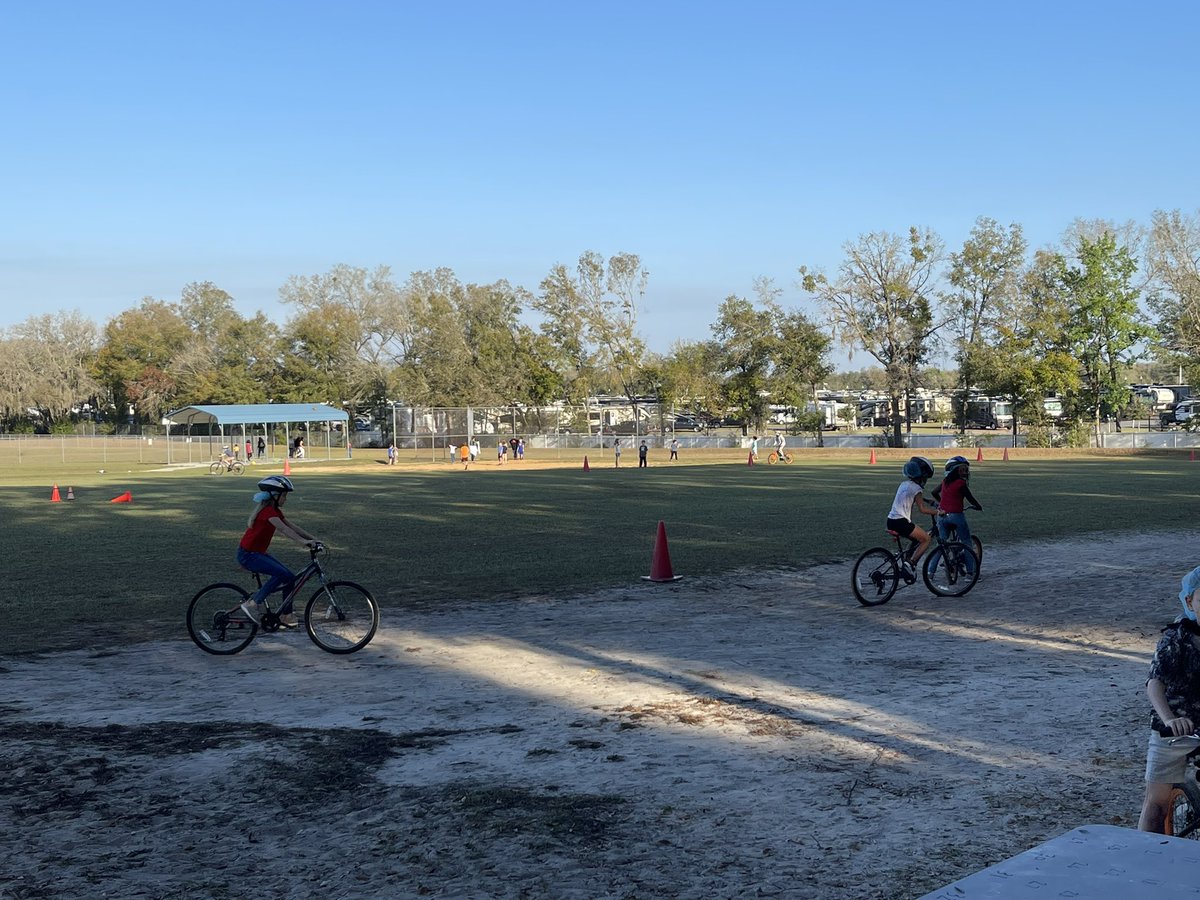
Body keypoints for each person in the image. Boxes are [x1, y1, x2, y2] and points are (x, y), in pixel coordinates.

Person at [1138, 572, 1200, 833]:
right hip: (1174, 729)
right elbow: (1155, 684)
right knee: (1156, 805)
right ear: (1189, 600)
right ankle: (1142, 856)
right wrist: (1169, 719)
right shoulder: (1176, 639)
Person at [237, 475, 320, 629]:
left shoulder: (274, 511)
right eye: (284, 495)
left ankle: (285, 615)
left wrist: (314, 539)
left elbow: (292, 526)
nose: (285, 499)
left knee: (289, 577)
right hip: (248, 555)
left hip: (257, 553)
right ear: (275, 496)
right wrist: (303, 542)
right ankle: (253, 603)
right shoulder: (268, 513)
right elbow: (283, 529)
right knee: (281, 574)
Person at [887, 456, 940, 579]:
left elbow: (911, 497)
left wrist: (928, 500)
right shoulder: (917, 488)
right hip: (901, 522)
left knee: (916, 539)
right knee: (926, 539)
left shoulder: (904, 484)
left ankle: (906, 563)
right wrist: (938, 512)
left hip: (891, 521)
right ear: (922, 476)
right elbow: (922, 509)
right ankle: (911, 563)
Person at [930, 455, 983, 574]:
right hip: (956, 516)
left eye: (966, 469)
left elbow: (934, 492)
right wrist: (978, 506)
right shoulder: (960, 483)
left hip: (942, 516)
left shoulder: (945, 481)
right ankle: (971, 573)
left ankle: (930, 572)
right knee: (967, 543)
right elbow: (970, 498)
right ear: (956, 470)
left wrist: (942, 503)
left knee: (941, 545)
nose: (965, 472)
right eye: (962, 469)